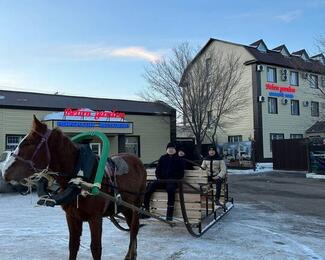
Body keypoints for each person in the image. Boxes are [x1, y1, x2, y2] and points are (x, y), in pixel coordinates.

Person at [142, 142, 185, 221]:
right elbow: (157, 170)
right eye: (169, 149)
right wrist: (159, 178)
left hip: (173, 182)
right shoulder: (162, 158)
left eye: (172, 148)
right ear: (166, 150)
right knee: (150, 187)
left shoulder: (179, 159)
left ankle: (169, 215)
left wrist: (173, 179)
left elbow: (181, 173)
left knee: (170, 190)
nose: (170, 150)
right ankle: (146, 210)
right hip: (162, 180)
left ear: (175, 150)